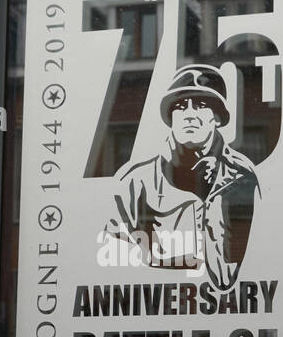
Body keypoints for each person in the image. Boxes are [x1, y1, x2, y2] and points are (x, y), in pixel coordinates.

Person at [103, 64, 259, 291]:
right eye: (180, 106)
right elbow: (112, 255)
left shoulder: (242, 175)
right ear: (170, 117)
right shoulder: (136, 178)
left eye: (201, 105)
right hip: (159, 311)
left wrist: (208, 199)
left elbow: (263, 250)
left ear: (217, 117)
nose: (189, 114)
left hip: (229, 310)